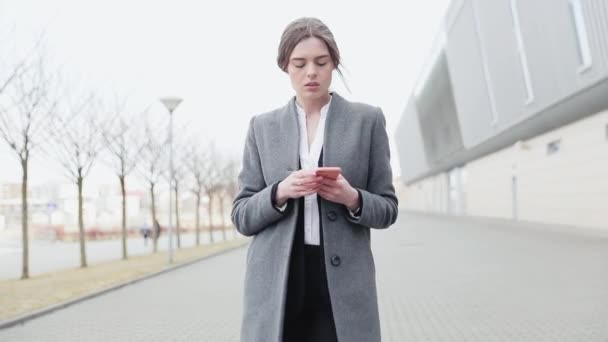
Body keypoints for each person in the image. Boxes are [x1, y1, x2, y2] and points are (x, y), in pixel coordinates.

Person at [231, 17, 398, 342]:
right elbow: (241, 215)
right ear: (285, 66)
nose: (311, 72)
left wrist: (353, 197)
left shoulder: (368, 120)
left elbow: (388, 208)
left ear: (333, 63)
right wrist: (279, 192)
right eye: (300, 63)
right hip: (278, 284)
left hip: (343, 285)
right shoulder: (261, 127)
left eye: (321, 62)